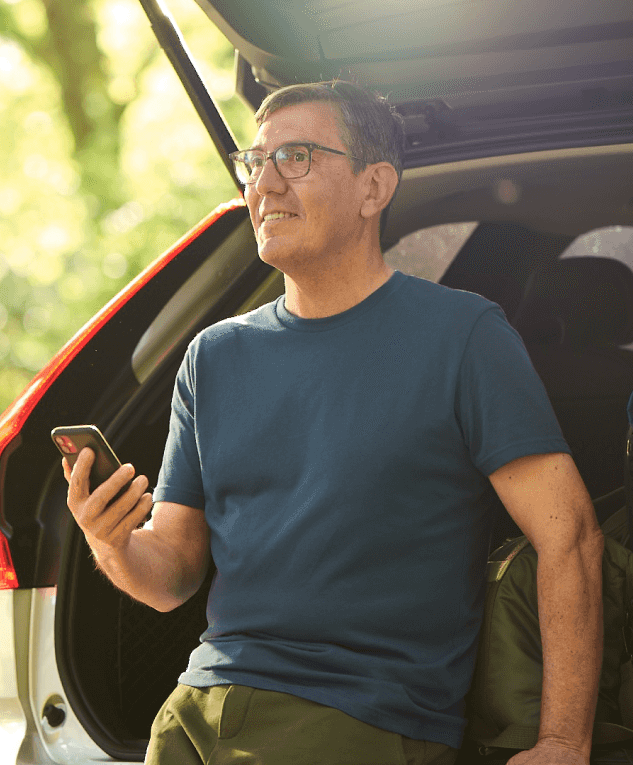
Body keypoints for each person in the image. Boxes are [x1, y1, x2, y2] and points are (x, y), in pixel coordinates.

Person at [64, 81, 603, 765]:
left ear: (373, 187)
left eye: (295, 157)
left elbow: (571, 537)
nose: (265, 184)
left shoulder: (462, 336)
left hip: (357, 720)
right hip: (189, 716)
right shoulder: (214, 357)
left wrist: (561, 741)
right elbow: (170, 576)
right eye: (255, 162)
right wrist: (111, 542)